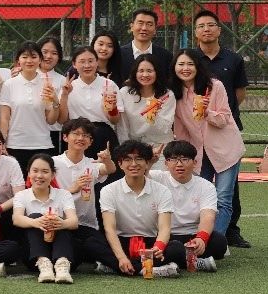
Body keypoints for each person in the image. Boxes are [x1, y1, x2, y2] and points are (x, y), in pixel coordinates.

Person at [192, 9, 252, 248]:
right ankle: (199, 234)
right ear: (195, 32)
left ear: (219, 29)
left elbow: (239, 93)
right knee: (201, 183)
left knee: (228, 188)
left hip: (225, 128)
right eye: (201, 26)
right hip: (198, 132)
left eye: (211, 25)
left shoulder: (233, 59)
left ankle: (229, 232)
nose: (206, 29)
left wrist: (221, 113)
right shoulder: (190, 59)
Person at [170, 48, 242, 236]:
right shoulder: (175, 93)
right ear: (174, 67)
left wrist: (206, 113)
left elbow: (224, 118)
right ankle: (200, 237)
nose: (185, 68)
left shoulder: (214, 86)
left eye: (190, 64)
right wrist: (185, 155)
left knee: (223, 199)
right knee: (199, 197)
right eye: (181, 64)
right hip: (199, 152)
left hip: (225, 149)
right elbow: (181, 129)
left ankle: (214, 241)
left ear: (198, 67)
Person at [85, 140, 178, 277]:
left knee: (176, 248)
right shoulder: (108, 190)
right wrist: (121, 257)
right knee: (91, 243)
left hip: (150, 242)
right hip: (121, 242)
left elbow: (164, 228)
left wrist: (158, 248)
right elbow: (109, 228)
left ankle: (116, 267)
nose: (133, 164)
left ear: (147, 163)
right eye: (128, 159)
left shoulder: (162, 191)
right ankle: (144, 269)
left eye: (139, 159)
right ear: (120, 164)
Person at [151, 140, 224, 271]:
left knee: (219, 243)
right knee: (174, 249)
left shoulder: (205, 186)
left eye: (185, 159)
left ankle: (176, 261)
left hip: (192, 235)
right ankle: (195, 262)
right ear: (166, 163)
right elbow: (137, 178)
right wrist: (150, 162)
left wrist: (201, 238)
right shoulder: (157, 178)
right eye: (173, 159)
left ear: (194, 162)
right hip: (164, 235)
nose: (179, 164)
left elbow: (208, 216)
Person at [51, 118, 116, 266]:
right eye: (76, 134)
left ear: (90, 142)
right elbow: (43, 194)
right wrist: (72, 189)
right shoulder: (52, 163)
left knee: (98, 247)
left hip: (86, 224)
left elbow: (110, 169)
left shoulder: (91, 163)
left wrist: (107, 159)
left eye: (86, 135)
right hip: (61, 222)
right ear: (65, 137)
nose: (81, 138)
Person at [11, 153, 78, 283]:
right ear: (29, 173)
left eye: (45, 171)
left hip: (62, 249)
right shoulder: (21, 195)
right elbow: (17, 219)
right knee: (35, 217)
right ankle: (44, 264)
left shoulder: (64, 194)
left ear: (53, 175)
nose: (39, 176)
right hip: (33, 257)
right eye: (35, 171)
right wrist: (36, 222)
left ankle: (62, 265)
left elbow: (74, 221)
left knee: (59, 220)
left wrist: (60, 223)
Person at [0, 41, 59, 162]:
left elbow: (51, 120)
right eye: (25, 57)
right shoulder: (9, 84)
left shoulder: (46, 84)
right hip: (15, 145)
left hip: (42, 145)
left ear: (40, 60)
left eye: (34, 57)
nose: (29, 61)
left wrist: (56, 102)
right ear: (18, 60)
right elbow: (4, 119)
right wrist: (1, 142)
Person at [58, 45, 119, 157]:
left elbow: (115, 120)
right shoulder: (68, 86)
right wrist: (65, 95)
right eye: (82, 61)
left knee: (105, 167)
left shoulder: (109, 85)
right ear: (74, 64)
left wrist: (112, 108)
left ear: (97, 62)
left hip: (102, 135)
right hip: (76, 136)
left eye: (91, 61)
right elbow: (62, 120)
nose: (87, 65)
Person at [114, 55, 174, 166]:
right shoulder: (125, 93)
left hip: (160, 146)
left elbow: (165, 128)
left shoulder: (167, 95)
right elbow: (122, 126)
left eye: (149, 71)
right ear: (135, 73)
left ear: (157, 72)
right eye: (141, 71)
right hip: (134, 148)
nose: (145, 75)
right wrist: (126, 149)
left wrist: (155, 114)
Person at [115, 8, 173, 85]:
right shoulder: (118, 55)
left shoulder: (166, 56)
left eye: (149, 24)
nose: (144, 28)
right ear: (132, 26)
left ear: (155, 29)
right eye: (140, 23)